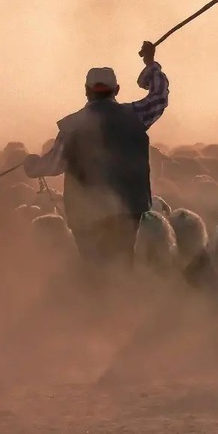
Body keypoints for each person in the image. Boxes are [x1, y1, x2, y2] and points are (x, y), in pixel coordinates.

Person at [23, 41, 169, 270]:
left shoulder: (72, 126)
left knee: (93, 269)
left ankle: (96, 302)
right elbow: (159, 97)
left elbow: (52, 165)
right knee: (122, 265)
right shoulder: (136, 115)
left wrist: (31, 164)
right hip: (128, 209)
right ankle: (121, 302)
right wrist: (150, 64)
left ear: (86, 91)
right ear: (117, 90)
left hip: (86, 214)